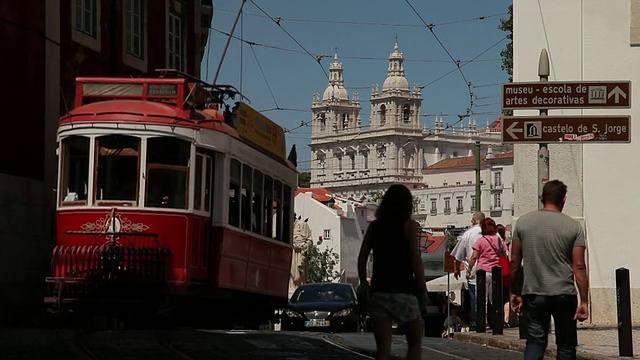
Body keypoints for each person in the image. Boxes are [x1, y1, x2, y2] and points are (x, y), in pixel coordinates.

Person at [509, 180, 589, 360]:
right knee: (566, 345)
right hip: (564, 293)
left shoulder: (523, 223)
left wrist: (514, 292)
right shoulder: (574, 227)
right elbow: (579, 266)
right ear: (564, 200)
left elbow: (514, 261)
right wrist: (584, 300)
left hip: (534, 293)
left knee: (535, 342)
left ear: (541, 198)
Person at [357, 184, 426, 360]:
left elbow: (362, 257)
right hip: (404, 291)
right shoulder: (409, 226)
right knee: (415, 342)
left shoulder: (375, 227)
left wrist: (364, 282)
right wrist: (421, 286)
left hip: (379, 291)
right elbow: (415, 260)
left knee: (382, 350)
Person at [467, 217, 508, 329]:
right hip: (496, 272)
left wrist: (469, 269)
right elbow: (504, 253)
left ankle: (483, 322)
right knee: (495, 298)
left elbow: (474, 256)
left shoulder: (481, 241)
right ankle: (496, 321)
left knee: (482, 299)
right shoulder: (499, 239)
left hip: (483, 272)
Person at [451, 211, 485, 330]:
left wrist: (456, 269)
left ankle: (476, 323)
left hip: (475, 270)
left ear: (474, 221)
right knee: (490, 298)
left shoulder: (468, 234)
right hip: (492, 271)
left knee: (475, 298)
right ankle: (491, 322)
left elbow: (458, 254)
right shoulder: (492, 233)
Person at [497, 223, 511, 327]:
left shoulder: (495, 242)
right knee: (506, 297)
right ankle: (506, 319)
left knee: (497, 297)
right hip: (506, 270)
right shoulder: (506, 244)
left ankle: (497, 318)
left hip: (497, 270)